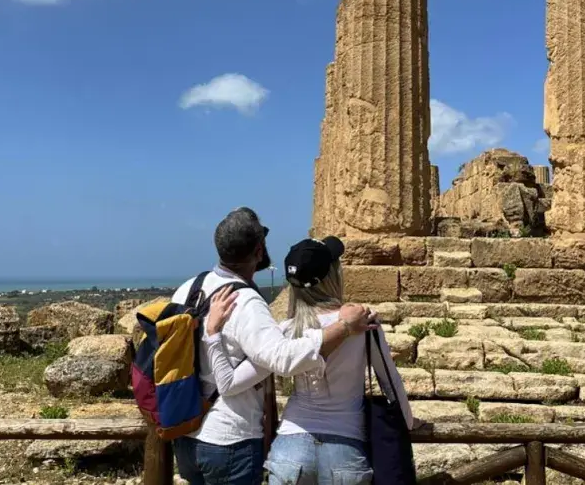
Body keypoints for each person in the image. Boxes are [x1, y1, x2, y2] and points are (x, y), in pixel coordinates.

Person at [171, 208, 379, 485]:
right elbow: (282, 359)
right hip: (229, 438)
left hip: (187, 432)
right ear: (259, 250)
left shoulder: (188, 288)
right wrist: (344, 327)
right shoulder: (246, 303)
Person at [205, 235, 416, 485]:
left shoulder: (284, 332)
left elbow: (229, 384)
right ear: (333, 276)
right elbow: (391, 384)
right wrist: (409, 424)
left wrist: (213, 334)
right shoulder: (364, 324)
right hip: (346, 448)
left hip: (290, 451)